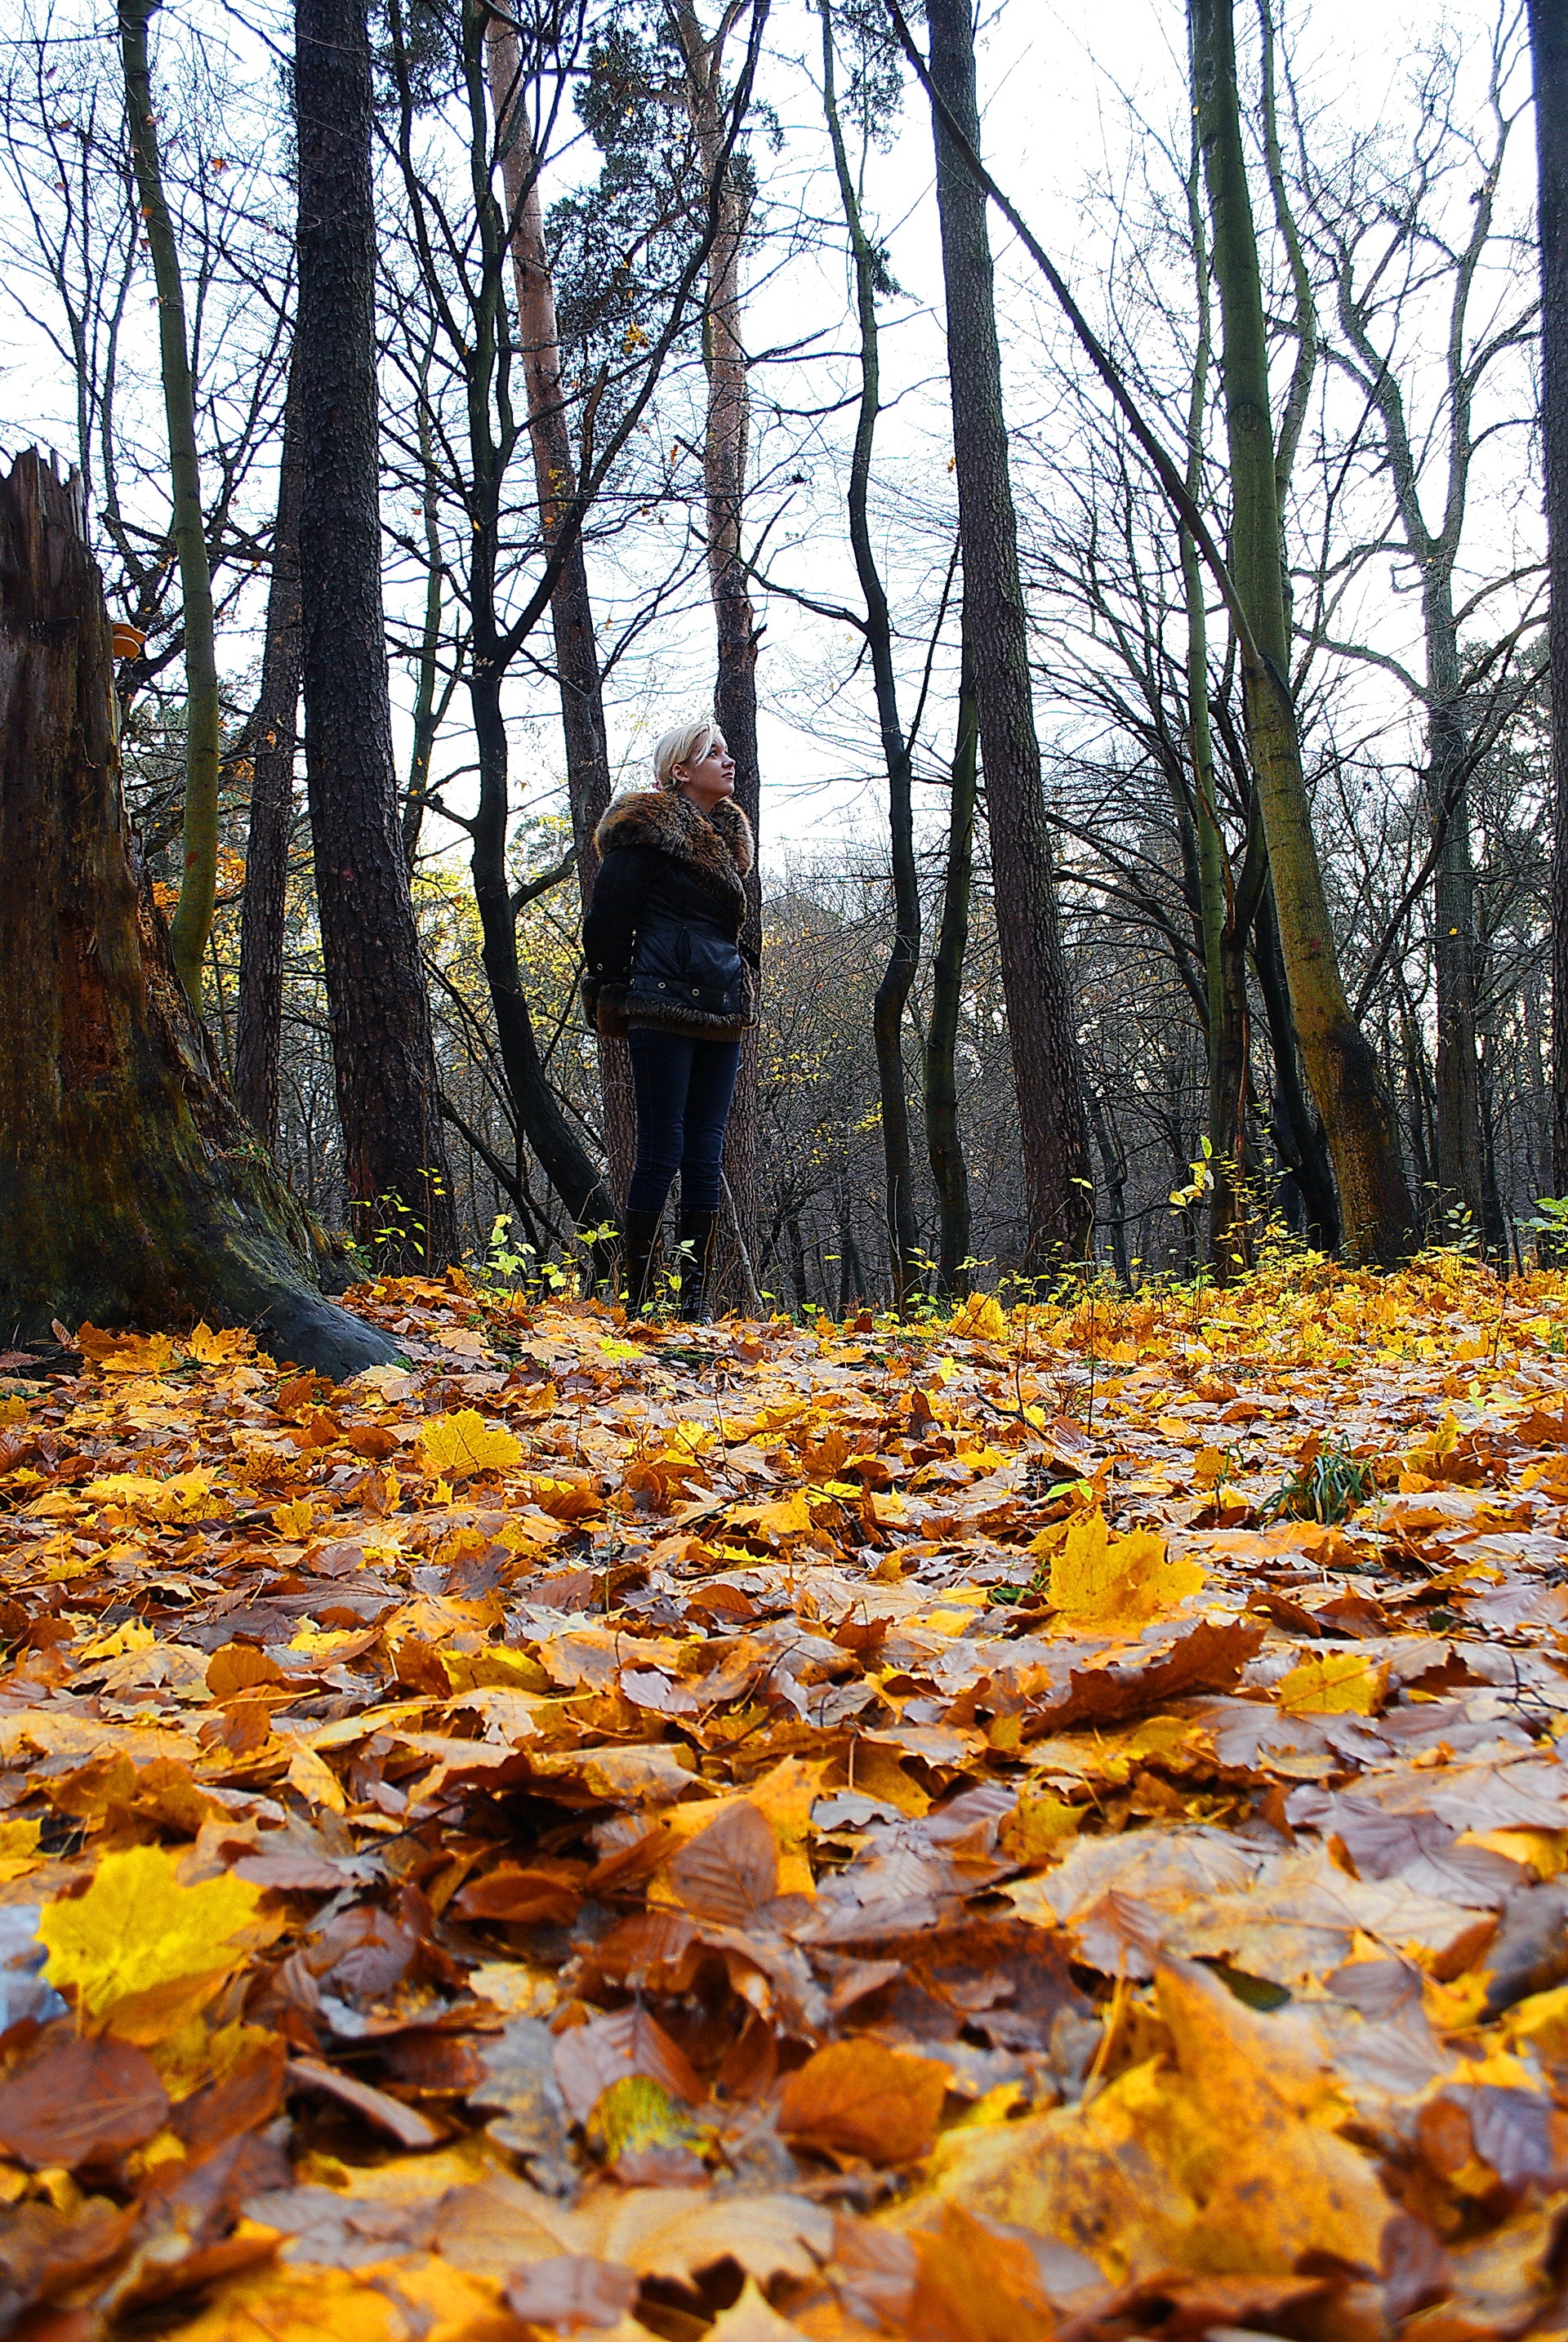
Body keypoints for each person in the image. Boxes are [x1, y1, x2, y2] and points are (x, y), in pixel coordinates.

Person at [581, 719, 756, 1319]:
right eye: (714, 752)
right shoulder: (646, 831)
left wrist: (743, 972)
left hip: (723, 1008)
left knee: (705, 1152)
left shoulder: (731, 840)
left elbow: (732, 931)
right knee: (661, 1149)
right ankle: (631, 1300)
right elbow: (607, 919)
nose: (728, 761)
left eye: (728, 750)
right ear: (680, 769)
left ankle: (695, 1303)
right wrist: (611, 984)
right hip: (659, 1001)